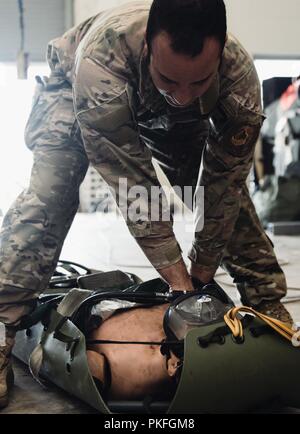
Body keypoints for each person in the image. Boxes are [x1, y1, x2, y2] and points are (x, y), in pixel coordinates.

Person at [0, 0, 292, 409]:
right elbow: (135, 187)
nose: (185, 98)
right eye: (171, 80)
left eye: (199, 82)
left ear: (221, 52)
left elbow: (223, 188)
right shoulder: (102, 61)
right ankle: (1, 327)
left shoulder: (238, 78)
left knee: (226, 198)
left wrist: (203, 277)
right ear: (148, 50)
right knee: (52, 194)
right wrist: (179, 283)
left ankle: (271, 308)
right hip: (76, 88)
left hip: (155, 99)